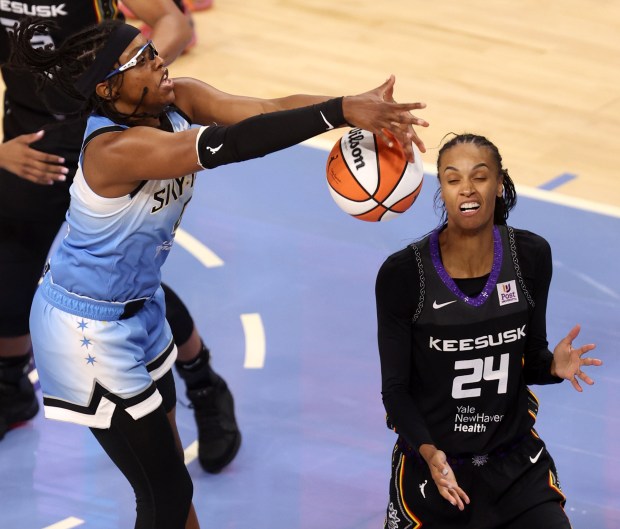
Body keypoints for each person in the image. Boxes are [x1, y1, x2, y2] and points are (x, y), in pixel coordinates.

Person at [8, 16, 427, 528]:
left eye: (151, 49)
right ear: (106, 88)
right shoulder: (113, 152)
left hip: (142, 309)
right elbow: (231, 144)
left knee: (173, 492)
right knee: (163, 491)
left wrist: (353, 110)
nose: (159, 59)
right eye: (140, 59)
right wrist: (337, 111)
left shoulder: (178, 97)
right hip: (85, 331)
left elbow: (264, 111)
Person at [0, 0, 241, 475]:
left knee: (118, 276)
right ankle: (10, 388)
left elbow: (175, 19)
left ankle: (203, 381)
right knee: (12, 263)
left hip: (109, 128)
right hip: (28, 142)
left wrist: (138, 68)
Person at [375, 133, 603, 529]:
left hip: (514, 469)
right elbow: (395, 391)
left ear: (499, 184)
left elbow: (529, 359)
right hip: (435, 472)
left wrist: (552, 367)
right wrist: (429, 454)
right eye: (452, 178)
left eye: (479, 177)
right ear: (441, 189)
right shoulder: (404, 275)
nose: (467, 188)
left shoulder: (529, 256)